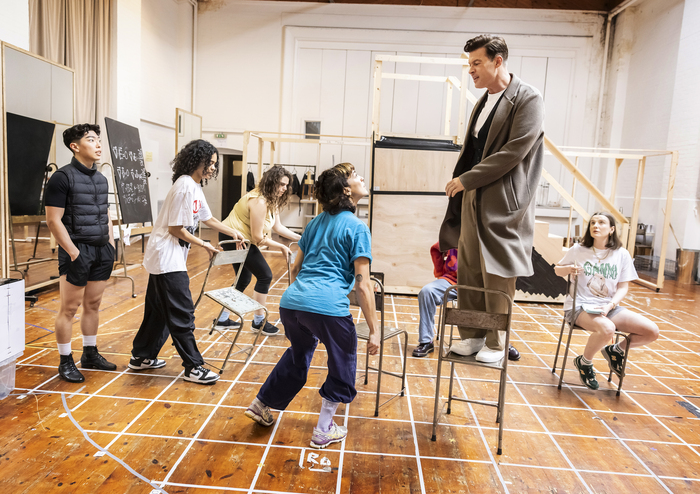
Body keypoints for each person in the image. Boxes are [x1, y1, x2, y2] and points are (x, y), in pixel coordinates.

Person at [244, 163, 380, 450]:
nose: (362, 178)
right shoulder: (357, 227)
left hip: (292, 304)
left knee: (299, 352)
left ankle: (261, 404)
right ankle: (324, 428)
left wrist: (300, 304)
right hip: (327, 307)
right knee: (343, 359)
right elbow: (363, 285)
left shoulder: (314, 223)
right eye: (356, 177)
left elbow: (296, 267)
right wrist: (375, 330)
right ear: (346, 190)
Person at [440, 34, 545, 363]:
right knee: (470, 270)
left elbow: (514, 151)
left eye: (476, 63)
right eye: (469, 63)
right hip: (474, 198)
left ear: (498, 61)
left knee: (497, 275)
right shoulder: (483, 101)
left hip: (504, 203)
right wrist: (467, 186)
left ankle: (496, 344)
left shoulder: (528, 98)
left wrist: (466, 179)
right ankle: (472, 335)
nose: (470, 70)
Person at [129, 139, 245, 385]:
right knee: (182, 312)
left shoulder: (194, 186)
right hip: (166, 258)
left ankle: (142, 357)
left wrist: (232, 231)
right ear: (197, 161)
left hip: (169, 257)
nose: (213, 168)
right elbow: (175, 229)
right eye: (210, 163)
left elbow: (208, 217)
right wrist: (204, 245)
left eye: (215, 164)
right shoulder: (184, 187)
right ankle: (193, 366)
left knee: (157, 311)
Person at [44, 124, 117, 383]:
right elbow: (54, 221)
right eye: (91, 140)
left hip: (101, 251)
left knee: (93, 305)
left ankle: (89, 353)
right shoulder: (62, 177)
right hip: (76, 251)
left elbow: (105, 213)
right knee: (69, 308)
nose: (98, 145)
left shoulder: (101, 178)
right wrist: (74, 253)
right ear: (75, 146)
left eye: (98, 140)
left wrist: (110, 243)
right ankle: (65, 361)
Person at [555, 212, 659, 390]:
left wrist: (610, 305)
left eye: (601, 223)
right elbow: (557, 270)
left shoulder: (621, 254)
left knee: (651, 331)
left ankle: (616, 351)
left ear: (611, 229)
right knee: (608, 329)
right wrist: (569, 269)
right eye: (593, 223)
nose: (596, 225)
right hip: (579, 306)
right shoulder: (578, 249)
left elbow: (623, 287)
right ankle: (585, 362)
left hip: (607, 307)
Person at [216, 165, 301, 335]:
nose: (285, 189)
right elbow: (257, 238)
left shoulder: (272, 199)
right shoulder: (259, 201)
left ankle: (222, 319)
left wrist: (303, 238)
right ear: (272, 182)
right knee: (265, 275)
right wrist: (281, 245)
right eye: (282, 185)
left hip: (243, 239)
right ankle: (258, 322)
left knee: (243, 279)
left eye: (286, 185)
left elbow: (278, 227)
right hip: (233, 239)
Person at [413, 243, 521, 362]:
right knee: (427, 292)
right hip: (452, 281)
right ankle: (425, 341)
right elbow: (435, 248)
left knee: (496, 299)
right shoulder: (455, 231)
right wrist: (440, 273)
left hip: (481, 283)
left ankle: (499, 342)